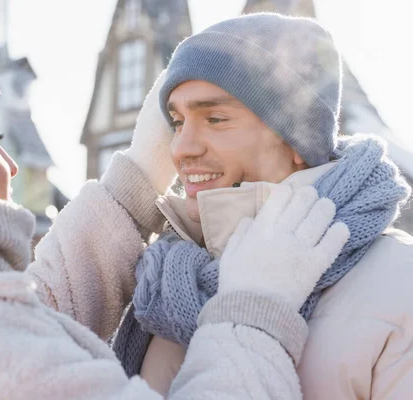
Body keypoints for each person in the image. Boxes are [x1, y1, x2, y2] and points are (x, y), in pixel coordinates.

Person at [0, 28, 349, 399]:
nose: (10, 165)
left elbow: (30, 312)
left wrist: (131, 188)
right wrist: (253, 308)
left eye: (215, 118)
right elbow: (12, 350)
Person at [112, 12, 413, 399]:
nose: (181, 148)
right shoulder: (162, 284)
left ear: (296, 139)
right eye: (177, 122)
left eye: (216, 118)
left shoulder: (400, 282)